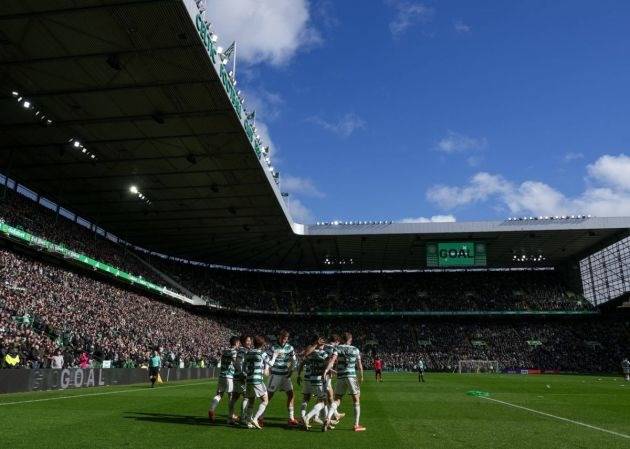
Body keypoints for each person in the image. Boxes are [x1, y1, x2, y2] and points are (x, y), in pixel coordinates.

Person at [324, 332, 365, 432]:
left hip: (341, 375)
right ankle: (356, 425)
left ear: (342, 339)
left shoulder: (337, 348)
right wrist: (361, 376)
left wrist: (326, 370)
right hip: (351, 376)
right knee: (356, 399)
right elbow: (359, 365)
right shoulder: (355, 349)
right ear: (350, 340)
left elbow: (332, 361)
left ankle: (328, 417)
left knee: (337, 399)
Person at [243, 336, 277, 429]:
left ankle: (248, 421)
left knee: (251, 400)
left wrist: (248, 374)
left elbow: (243, 367)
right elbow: (271, 364)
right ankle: (255, 418)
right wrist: (275, 355)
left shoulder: (248, 352)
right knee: (265, 400)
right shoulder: (262, 353)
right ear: (262, 344)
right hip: (257, 380)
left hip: (249, 379)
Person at [266, 330, 299, 427]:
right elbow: (266, 358)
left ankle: (291, 418)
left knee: (291, 394)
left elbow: (294, 360)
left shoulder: (290, 348)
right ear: (279, 337)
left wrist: (292, 370)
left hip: (285, 375)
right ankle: (260, 417)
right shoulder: (273, 347)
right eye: (282, 337)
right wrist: (268, 368)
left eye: (285, 338)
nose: (284, 339)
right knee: (268, 396)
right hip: (275, 375)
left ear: (287, 339)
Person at [301, 335, 330, 431]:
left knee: (323, 400)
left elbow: (305, 354)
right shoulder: (323, 353)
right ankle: (307, 417)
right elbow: (328, 363)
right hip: (319, 379)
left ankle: (326, 422)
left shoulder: (312, 353)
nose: (323, 345)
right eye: (322, 343)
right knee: (322, 402)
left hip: (312, 378)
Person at [209, 336, 240, 423]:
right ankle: (231, 417)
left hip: (222, 375)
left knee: (219, 394)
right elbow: (235, 362)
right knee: (231, 397)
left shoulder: (225, 350)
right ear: (236, 343)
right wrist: (240, 370)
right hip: (229, 376)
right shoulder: (234, 351)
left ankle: (212, 409)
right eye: (238, 343)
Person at [229, 335, 251, 425]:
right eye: (247, 341)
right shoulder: (242, 350)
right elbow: (238, 363)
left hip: (238, 376)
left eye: (250, 340)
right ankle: (243, 418)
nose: (249, 342)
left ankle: (230, 417)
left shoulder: (244, 350)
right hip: (241, 377)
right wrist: (242, 374)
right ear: (243, 342)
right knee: (246, 396)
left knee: (235, 397)